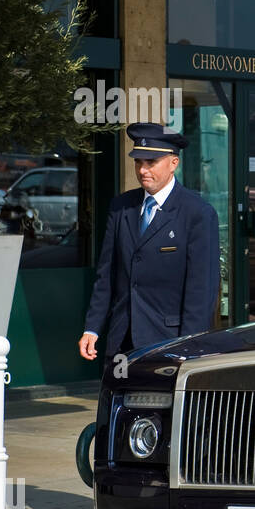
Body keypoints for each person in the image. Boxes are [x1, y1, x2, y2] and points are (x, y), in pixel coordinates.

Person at [79, 123, 220, 363]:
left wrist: (187, 347)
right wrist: (92, 328)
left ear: (174, 163)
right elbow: (107, 275)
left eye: (151, 162)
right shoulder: (120, 207)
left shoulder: (197, 213)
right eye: (138, 162)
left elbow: (201, 289)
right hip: (121, 340)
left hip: (168, 341)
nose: (143, 170)